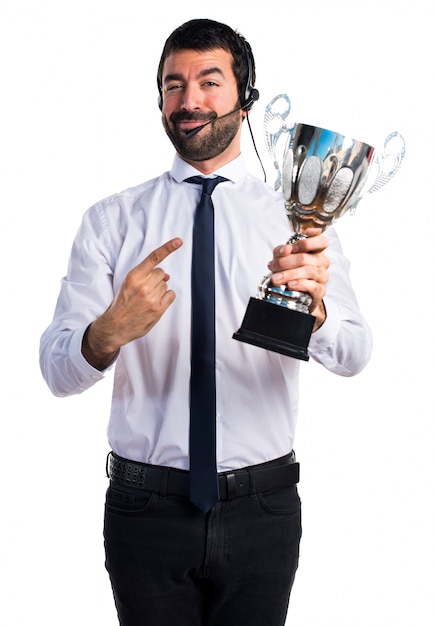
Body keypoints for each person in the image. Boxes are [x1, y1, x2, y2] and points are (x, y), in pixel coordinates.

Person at [39, 18, 372, 626]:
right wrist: (108, 330)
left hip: (264, 510)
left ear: (245, 98)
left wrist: (314, 310)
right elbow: (57, 371)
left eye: (209, 82)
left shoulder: (296, 220)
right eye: (173, 85)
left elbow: (353, 352)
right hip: (146, 510)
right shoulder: (112, 221)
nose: (189, 100)